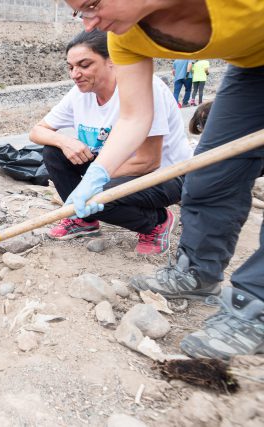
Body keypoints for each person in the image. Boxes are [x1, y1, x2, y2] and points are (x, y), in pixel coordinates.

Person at [64, 0, 264, 360]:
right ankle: (197, 273)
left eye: (92, 4)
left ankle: (256, 304)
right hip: (253, 69)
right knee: (208, 176)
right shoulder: (121, 38)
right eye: (79, 12)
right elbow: (134, 117)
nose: (89, 22)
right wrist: (98, 173)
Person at [29, 30, 191, 255]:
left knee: (99, 194)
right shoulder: (80, 93)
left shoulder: (144, 88)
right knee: (53, 153)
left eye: (84, 65)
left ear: (111, 61)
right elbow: (37, 131)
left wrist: (95, 181)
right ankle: (83, 219)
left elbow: (149, 161)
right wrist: (64, 141)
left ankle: (156, 222)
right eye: (70, 67)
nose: (75, 74)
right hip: (117, 166)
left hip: (165, 175)